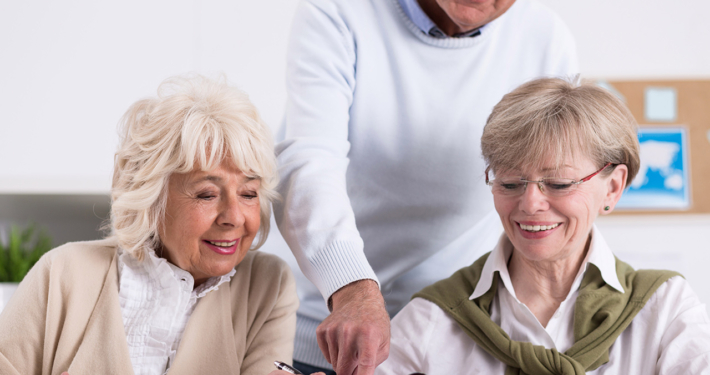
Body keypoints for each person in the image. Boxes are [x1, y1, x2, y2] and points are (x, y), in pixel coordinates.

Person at [270, 0, 579, 373]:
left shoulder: (545, 37)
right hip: (331, 326)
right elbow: (310, 160)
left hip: (459, 340)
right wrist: (350, 286)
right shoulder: (337, 12)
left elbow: (553, 192)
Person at [376, 77, 710, 374]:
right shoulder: (432, 318)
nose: (530, 203)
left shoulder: (665, 309)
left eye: (559, 183)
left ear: (612, 187)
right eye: (509, 183)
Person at [0, 76, 301, 375]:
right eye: (207, 194)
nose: (234, 217)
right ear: (151, 197)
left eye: (248, 193)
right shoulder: (63, 273)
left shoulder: (267, 285)